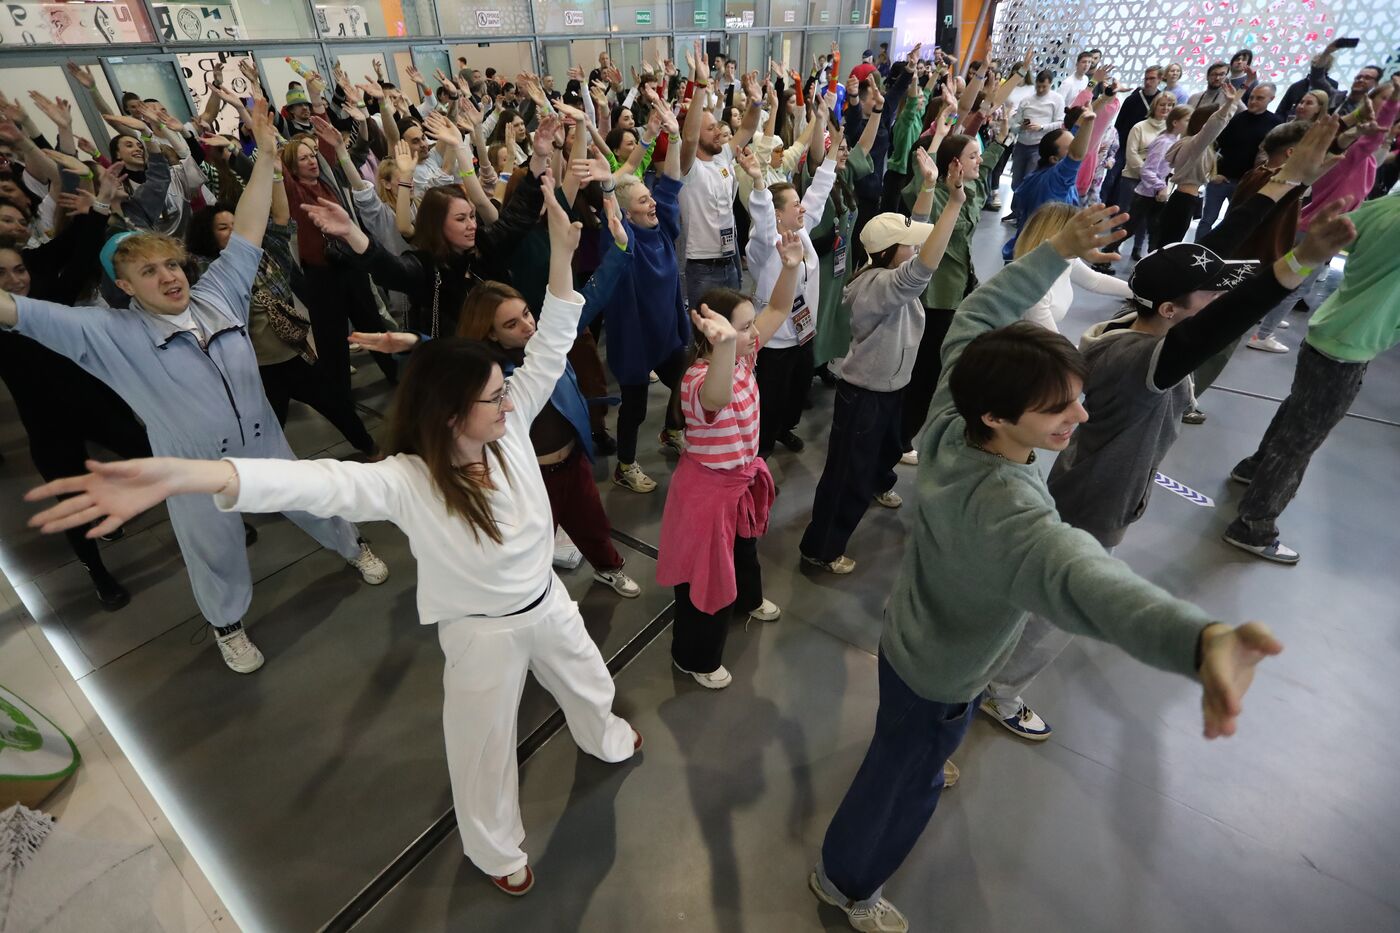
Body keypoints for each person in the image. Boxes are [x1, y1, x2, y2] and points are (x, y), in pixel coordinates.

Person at [24, 184, 640, 897]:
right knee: (483, 749)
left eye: (505, 391)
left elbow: (556, 339)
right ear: (448, 415)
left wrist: (563, 254)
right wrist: (182, 473)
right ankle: (495, 847)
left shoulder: (508, 422)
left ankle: (606, 736)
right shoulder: (407, 480)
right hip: (480, 636)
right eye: (494, 398)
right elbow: (311, 485)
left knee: (591, 681)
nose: (510, 402)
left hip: (546, 601)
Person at [809, 205, 1284, 933]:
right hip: (943, 672)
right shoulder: (1007, 515)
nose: (1080, 418)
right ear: (1001, 418)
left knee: (905, 748)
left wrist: (1055, 250)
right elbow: (1086, 578)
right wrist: (1198, 641)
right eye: (1057, 410)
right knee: (900, 785)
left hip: (912, 634)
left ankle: (916, 771)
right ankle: (847, 881)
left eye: (1075, 399)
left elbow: (976, 310)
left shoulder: (952, 411)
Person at [984, 125, 1350, 740]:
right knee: (1064, 608)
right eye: (1205, 298)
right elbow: (1216, 320)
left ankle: (992, 666)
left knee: (1039, 592)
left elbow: (1216, 251)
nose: (1216, 300)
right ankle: (999, 688)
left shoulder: (1136, 329)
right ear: (1174, 312)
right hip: (1094, 504)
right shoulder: (1142, 363)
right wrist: (1298, 263)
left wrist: (1287, 188)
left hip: (1081, 491)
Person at [0, 103, 388, 674]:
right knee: (214, 549)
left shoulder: (218, 295)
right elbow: (15, 311)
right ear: (125, 286)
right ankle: (227, 623)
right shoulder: (106, 334)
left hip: (262, 443)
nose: (170, 276)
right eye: (150, 272)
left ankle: (353, 547)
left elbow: (250, 226)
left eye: (172, 264)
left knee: (313, 500)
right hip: (190, 466)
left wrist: (264, 152)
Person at [1225, 145, 1400, 564]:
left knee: (1297, 410)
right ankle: (1254, 525)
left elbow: (1333, 237)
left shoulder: (1383, 209)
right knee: (1303, 438)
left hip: (1329, 329)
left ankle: (1253, 469)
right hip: (1351, 344)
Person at [798, 152, 965, 575]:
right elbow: (923, 264)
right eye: (907, 246)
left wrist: (929, 186)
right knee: (844, 477)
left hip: (889, 387)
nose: (915, 251)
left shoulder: (886, 266)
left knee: (886, 450)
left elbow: (915, 243)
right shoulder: (879, 288)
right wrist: (955, 202)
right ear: (892, 252)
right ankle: (822, 546)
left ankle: (877, 481)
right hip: (867, 395)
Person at [653, 231, 805, 689]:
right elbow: (715, 399)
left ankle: (748, 599)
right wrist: (724, 346)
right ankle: (693, 656)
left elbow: (778, 310)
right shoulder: (701, 378)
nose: (752, 331)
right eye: (742, 326)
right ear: (714, 334)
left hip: (738, 483)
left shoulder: (743, 357)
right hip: (706, 494)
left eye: (747, 326)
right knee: (704, 580)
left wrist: (791, 267)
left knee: (744, 550)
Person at [741, 108, 837, 458]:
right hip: (775, 342)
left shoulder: (801, 232)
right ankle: (761, 454)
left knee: (797, 393)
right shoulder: (763, 244)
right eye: (794, 205)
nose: (801, 209)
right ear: (778, 213)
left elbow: (817, 197)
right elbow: (764, 220)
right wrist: (759, 183)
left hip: (802, 331)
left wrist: (829, 160)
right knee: (771, 400)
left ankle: (784, 429)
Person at [605, 98, 690, 493]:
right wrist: (645, 136)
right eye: (642, 199)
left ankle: (672, 431)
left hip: (667, 336)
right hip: (636, 343)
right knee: (635, 409)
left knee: (687, 384)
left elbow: (670, 186)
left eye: (648, 196)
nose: (651, 201)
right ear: (625, 212)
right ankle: (625, 465)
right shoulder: (624, 242)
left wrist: (672, 135)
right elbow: (615, 186)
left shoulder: (663, 228)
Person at [677, 44, 762, 318]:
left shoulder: (723, 156)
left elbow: (748, 127)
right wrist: (701, 84)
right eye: (711, 128)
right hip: (702, 265)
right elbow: (689, 137)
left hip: (731, 257)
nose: (719, 132)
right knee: (706, 335)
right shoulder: (687, 167)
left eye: (718, 126)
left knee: (734, 325)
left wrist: (756, 102)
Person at [1001, 103, 1103, 261]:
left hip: (1026, 251)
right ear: (1054, 159)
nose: (1077, 148)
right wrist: (1089, 122)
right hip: (1037, 258)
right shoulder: (1056, 180)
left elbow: (1073, 144)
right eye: (1070, 148)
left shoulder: (1041, 173)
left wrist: (1081, 121)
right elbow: (1076, 155)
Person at [1013, 202, 1132, 334]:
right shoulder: (1033, 288)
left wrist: (1137, 291)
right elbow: (1053, 345)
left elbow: (1095, 281)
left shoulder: (1064, 259)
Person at [1196, 83, 1283, 239]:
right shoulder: (1236, 119)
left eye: (1259, 98)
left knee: (1232, 222)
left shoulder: (1276, 124)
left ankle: (1217, 255)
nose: (1253, 101)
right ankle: (1193, 253)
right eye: (1251, 98)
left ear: (1271, 99)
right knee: (1207, 220)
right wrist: (1213, 173)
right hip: (1220, 179)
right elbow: (1214, 147)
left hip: (1246, 182)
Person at [1126, 104, 1193, 259]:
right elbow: (1148, 170)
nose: (1189, 124)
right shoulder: (1164, 142)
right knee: (1130, 228)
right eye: (1187, 120)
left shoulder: (1173, 140)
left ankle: (1152, 261)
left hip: (1157, 194)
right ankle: (1107, 254)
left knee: (1155, 231)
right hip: (1147, 194)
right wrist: (1161, 186)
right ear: (1175, 122)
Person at [1009, 70, 1065, 192]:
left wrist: (1041, 127)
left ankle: (1023, 209)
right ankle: (1015, 208)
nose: (1040, 90)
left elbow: (1060, 123)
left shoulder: (1056, 99)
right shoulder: (1027, 100)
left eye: (1044, 87)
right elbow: (1014, 124)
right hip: (1022, 143)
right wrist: (1021, 127)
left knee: (1030, 180)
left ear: (1050, 84)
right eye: (1038, 86)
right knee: (1016, 180)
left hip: (1039, 145)